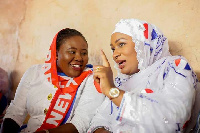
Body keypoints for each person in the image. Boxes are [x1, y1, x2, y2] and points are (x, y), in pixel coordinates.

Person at [88, 19, 198, 133]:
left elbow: (172, 120)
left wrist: (112, 91)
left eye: (121, 44)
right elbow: (100, 119)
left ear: (142, 43)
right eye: (113, 49)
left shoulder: (175, 67)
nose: (115, 54)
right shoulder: (121, 81)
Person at [1, 28, 105, 133]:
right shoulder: (35, 72)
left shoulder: (92, 79)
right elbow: (15, 112)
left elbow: (81, 123)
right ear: (55, 53)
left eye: (84, 53)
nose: (79, 58)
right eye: (72, 52)